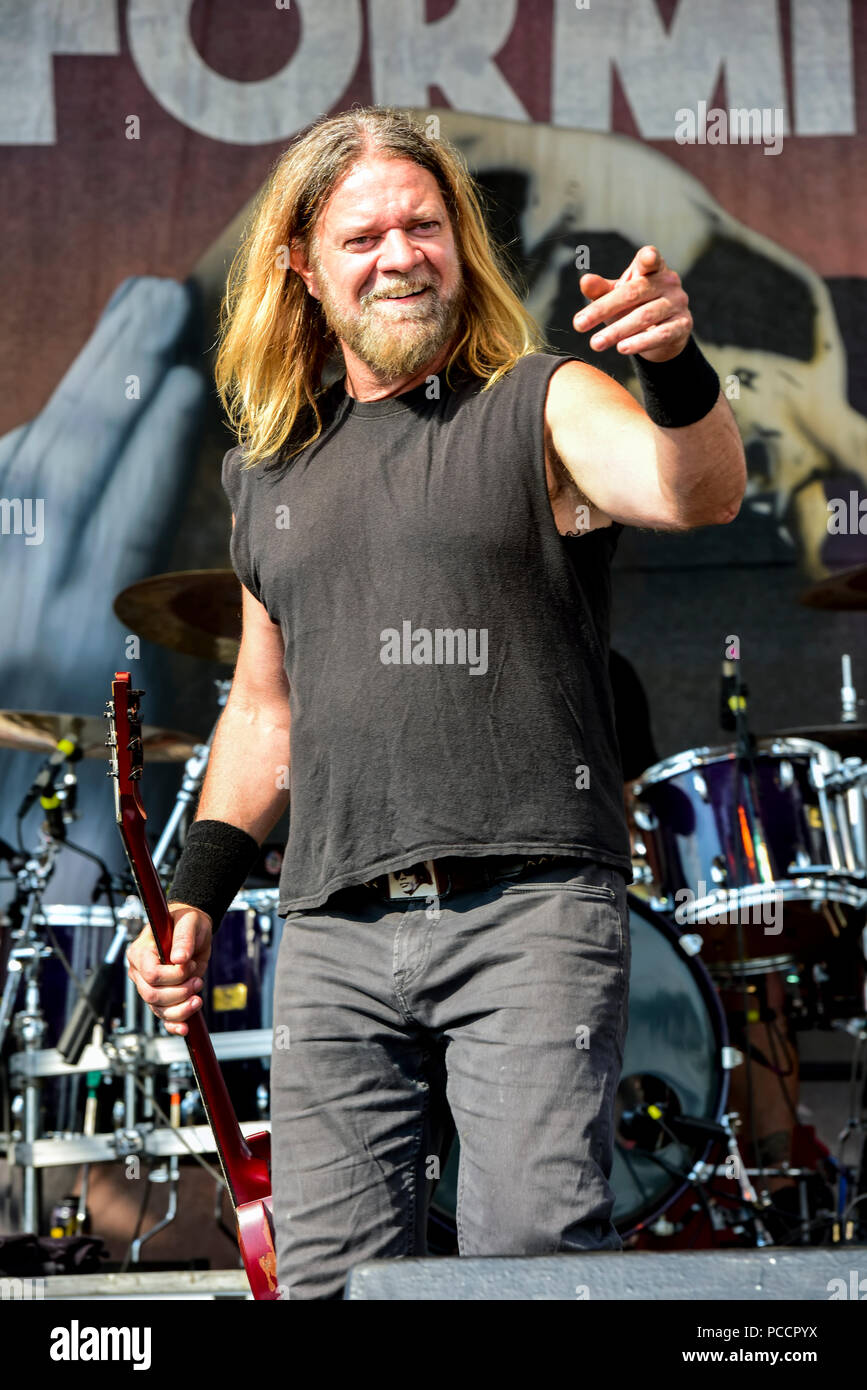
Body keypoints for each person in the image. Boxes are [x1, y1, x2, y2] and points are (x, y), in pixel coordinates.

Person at [126, 106, 746, 1300]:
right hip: (331, 934)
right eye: (364, 236)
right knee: (331, 1283)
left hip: (528, 914)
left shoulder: (541, 401)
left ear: (462, 242)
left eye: (425, 224)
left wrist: (673, 365)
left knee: (526, 1272)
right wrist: (199, 888)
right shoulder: (268, 471)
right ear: (301, 265)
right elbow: (264, 711)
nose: (401, 254)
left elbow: (696, 493)